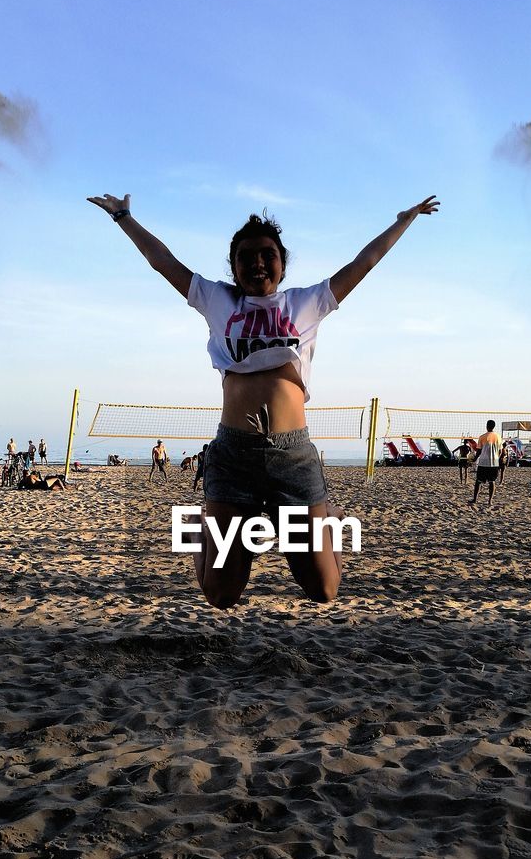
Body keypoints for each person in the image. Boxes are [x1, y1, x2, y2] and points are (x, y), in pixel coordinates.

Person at [88, 190, 441, 606]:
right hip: (234, 455)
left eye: (268, 254)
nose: (258, 261)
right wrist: (124, 218)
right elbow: (162, 261)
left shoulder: (305, 303)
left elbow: (363, 263)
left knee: (324, 589)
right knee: (221, 595)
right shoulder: (218, 301)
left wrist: (405, 220)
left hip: (291, 458)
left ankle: (327, 517)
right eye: (247, 256)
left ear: (282, 264)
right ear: (234, 267)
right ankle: (207, 521)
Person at [469, 421, 501, 508]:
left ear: (486, 426)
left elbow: (479, 451)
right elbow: (500, 451)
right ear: (494, 426)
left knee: (478, 481)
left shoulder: (482, 437)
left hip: (483, 462)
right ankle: (490, 501)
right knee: (492, 482)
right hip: (494, 462)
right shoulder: (498, 436)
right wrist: (497, 459)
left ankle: (475, 499)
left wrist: (475, 459)